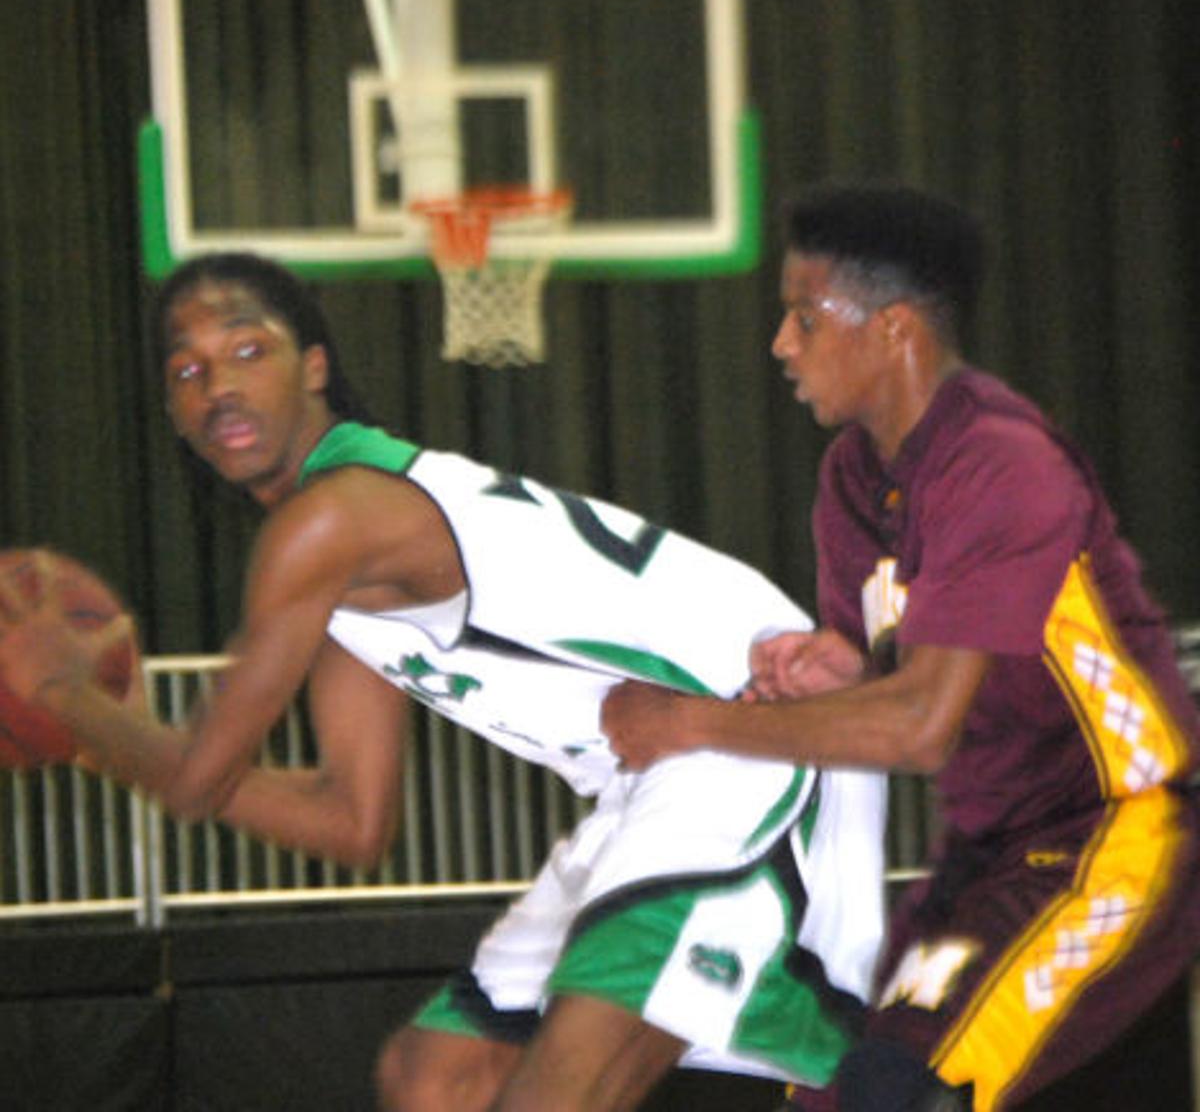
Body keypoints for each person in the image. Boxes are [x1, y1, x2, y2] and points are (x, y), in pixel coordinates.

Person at [0, 253, 887, 1112]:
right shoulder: (340, 557)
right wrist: (97, 733)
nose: (217, 385)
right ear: (173, 410)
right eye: (188, 371)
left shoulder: (333, 521)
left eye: (246, 351)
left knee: (563, 1093)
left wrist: (61, 697)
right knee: (437, 1079)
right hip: (652, 777)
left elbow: (195, 776)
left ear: (314, 368)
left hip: (748, 733)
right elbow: (352, 820)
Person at [601, 184, 1200, 1112]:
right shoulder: (851, 477)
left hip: (1119, 830)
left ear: (894, 329)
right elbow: (900, 669)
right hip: (989, 849)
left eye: (804, 318)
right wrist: (840, 664)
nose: (780, 346)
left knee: (905, 1093)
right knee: (829, 1084)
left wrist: (685, 724)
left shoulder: (1002, 460)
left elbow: (920, 725)